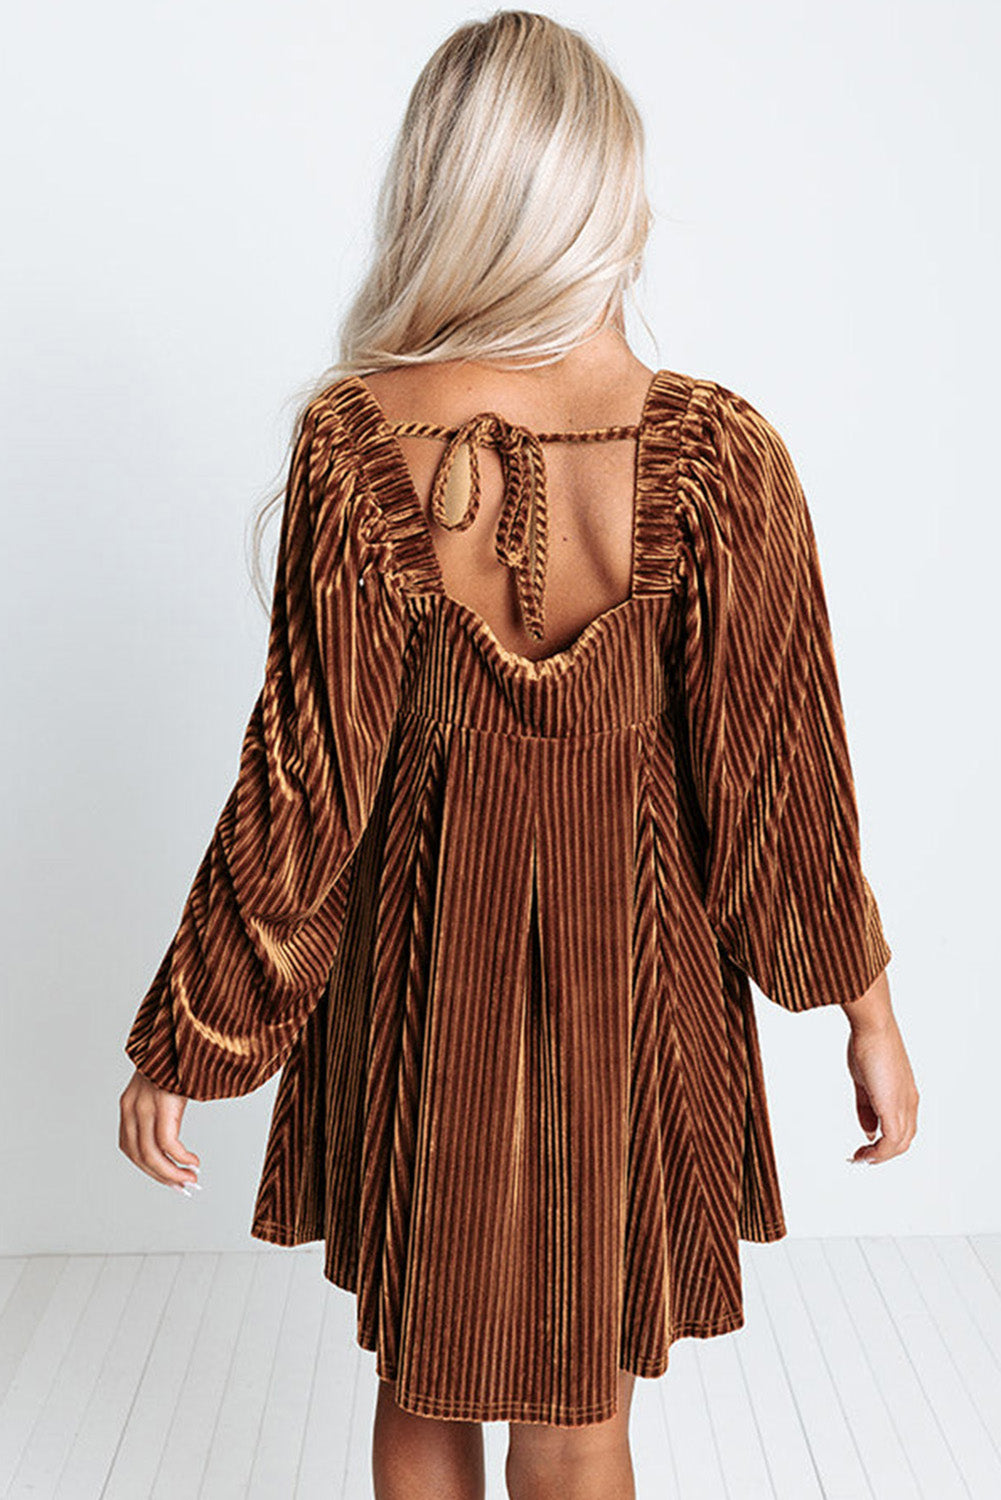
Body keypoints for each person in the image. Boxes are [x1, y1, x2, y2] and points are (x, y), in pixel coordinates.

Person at [118, 10, 919, 1499]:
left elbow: (307, 787)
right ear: (607, 200)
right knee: (582, 1418)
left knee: (421, 1389)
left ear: (445, 195)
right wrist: (865, 1012)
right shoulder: (723, 456)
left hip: (426, 992)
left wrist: (198, 1028)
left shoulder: (358, 441)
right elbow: (780, 790)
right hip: (636, 993)